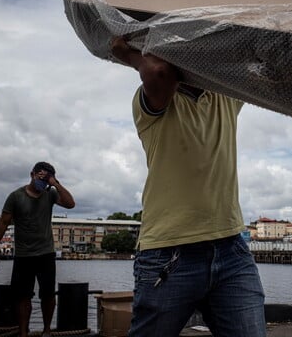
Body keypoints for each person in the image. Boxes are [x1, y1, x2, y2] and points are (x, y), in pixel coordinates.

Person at [110, 37, 266, 337]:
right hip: (168, 253)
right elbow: (157, 72)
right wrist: (129, 55)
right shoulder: (154, 103)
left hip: (230, 247)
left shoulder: (224, 97)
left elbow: (255, 57)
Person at [0, 162, 75, 337]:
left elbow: (70, 204)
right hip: (23, 255)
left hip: (46, 253)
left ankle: (47, 330)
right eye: (40, 177)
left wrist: (55, 183)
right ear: (32, 174)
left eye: (46, 179)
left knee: (48, 295)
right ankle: (23, 332)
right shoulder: (15, 196)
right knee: (22, 296)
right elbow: (3, 223)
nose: (42, 182)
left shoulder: (50, 194)